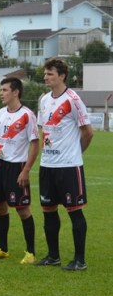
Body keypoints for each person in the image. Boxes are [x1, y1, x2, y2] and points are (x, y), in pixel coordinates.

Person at [36, 58, 92, 271]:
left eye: (50, 73)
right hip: (47, 165)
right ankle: (53, 256)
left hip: (69, 166)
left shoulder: (73, 99)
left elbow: (88, 132)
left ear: (62, 76)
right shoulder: (43, 100)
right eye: (45, 73)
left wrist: (77, 152)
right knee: (48, 210)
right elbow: (44, 130)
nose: (45, 77)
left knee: (74, 212)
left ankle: (80, 260)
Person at [0, 77, 39, 263]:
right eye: (1, 90)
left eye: (4, 90)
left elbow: (35, 144)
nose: (1, 93)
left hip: (16, 167)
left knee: (22, 209)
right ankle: (2, 248)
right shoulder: (1, 113)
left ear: (16, 92)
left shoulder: (27, 115)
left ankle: (30, 252)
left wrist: (26, 170)